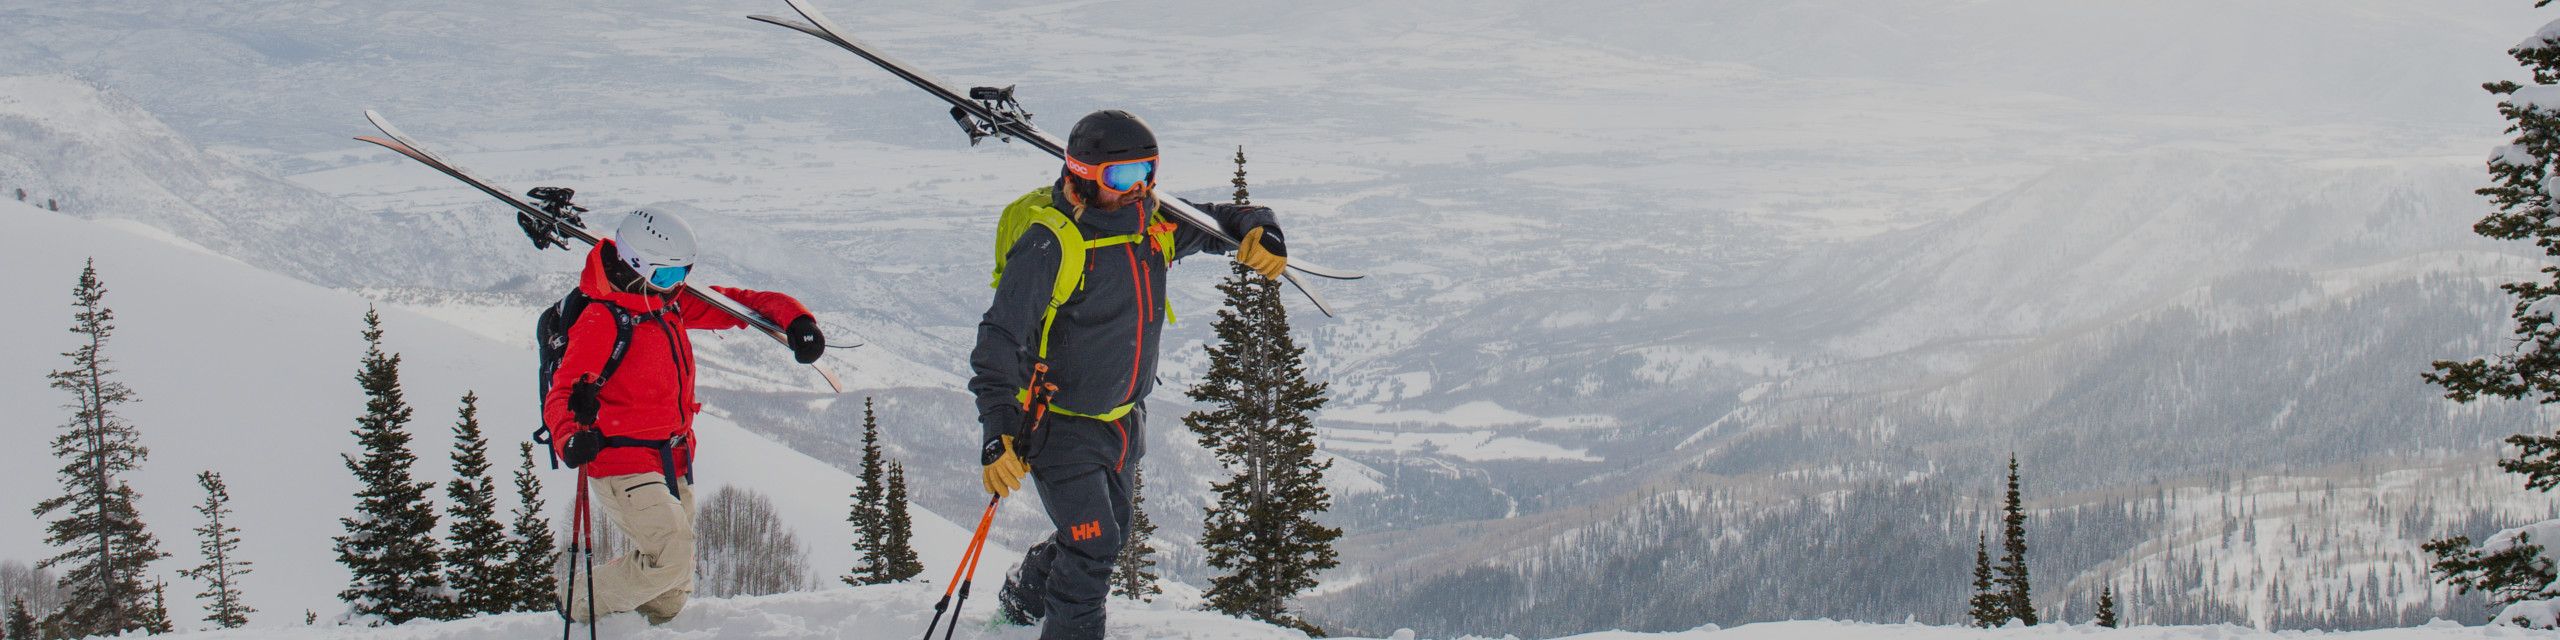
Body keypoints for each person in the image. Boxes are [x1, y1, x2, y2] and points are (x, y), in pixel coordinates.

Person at [971, 110, 1289, 639]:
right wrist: (997, 427)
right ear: (1084, 173)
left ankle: (1022, 599)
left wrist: (1264, 228)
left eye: (1148, 170)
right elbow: (998, 340)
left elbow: (1221, 222)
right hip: (1059, 425)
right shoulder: (1051, 243)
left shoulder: (1151, 224)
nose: (1138, 185)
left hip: (1123, 423)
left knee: (1107, 536)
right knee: (1093, 548)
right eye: (1122, 176)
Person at [546, 208, 828, 625]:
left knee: (673, 589)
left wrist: (796, 319)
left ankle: (639, 630)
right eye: (665, 276)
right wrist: (569, 437)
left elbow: (739, 305)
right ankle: (577, 602)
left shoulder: (666, 302)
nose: (677, 286)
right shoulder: (603, 318)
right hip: (620, 460)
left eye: (684, 273)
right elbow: (563, 393)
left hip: (672, 458)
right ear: (636, 265)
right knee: (671, 559)